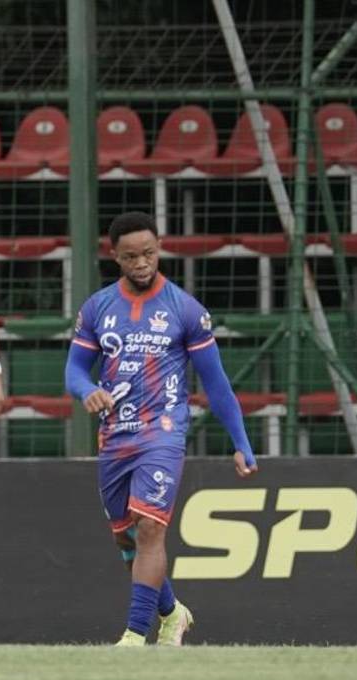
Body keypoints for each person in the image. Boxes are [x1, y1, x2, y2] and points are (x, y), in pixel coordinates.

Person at [64, 211, 258, 646]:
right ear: (115, 257)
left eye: (149, 253)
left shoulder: (184, 309)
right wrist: (87, 391)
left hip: (163, 432)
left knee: (151, 527)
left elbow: (216, 383)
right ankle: (172, 613)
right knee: (127, 540)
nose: (142, 263)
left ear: (159, 248)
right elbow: (74, 370)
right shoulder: (98, 308)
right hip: (115, 436)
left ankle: (134, 635)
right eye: (131, 256)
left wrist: (241, 441)